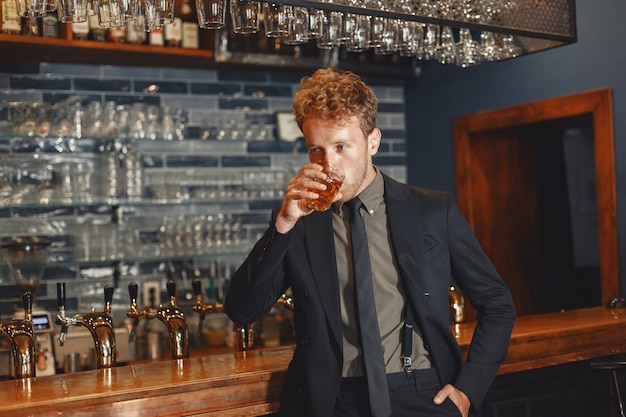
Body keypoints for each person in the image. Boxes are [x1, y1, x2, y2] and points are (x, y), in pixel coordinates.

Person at [224, 68, 516, 417]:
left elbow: (497, 303)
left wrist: (469, 389)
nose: (328, 164)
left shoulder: (432, 210)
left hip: (422, 394)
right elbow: (243, 310)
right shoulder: (298, 220)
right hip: (331, 402)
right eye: (315, 150)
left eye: (341, 147)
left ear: (372, 142)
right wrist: (283, 224)